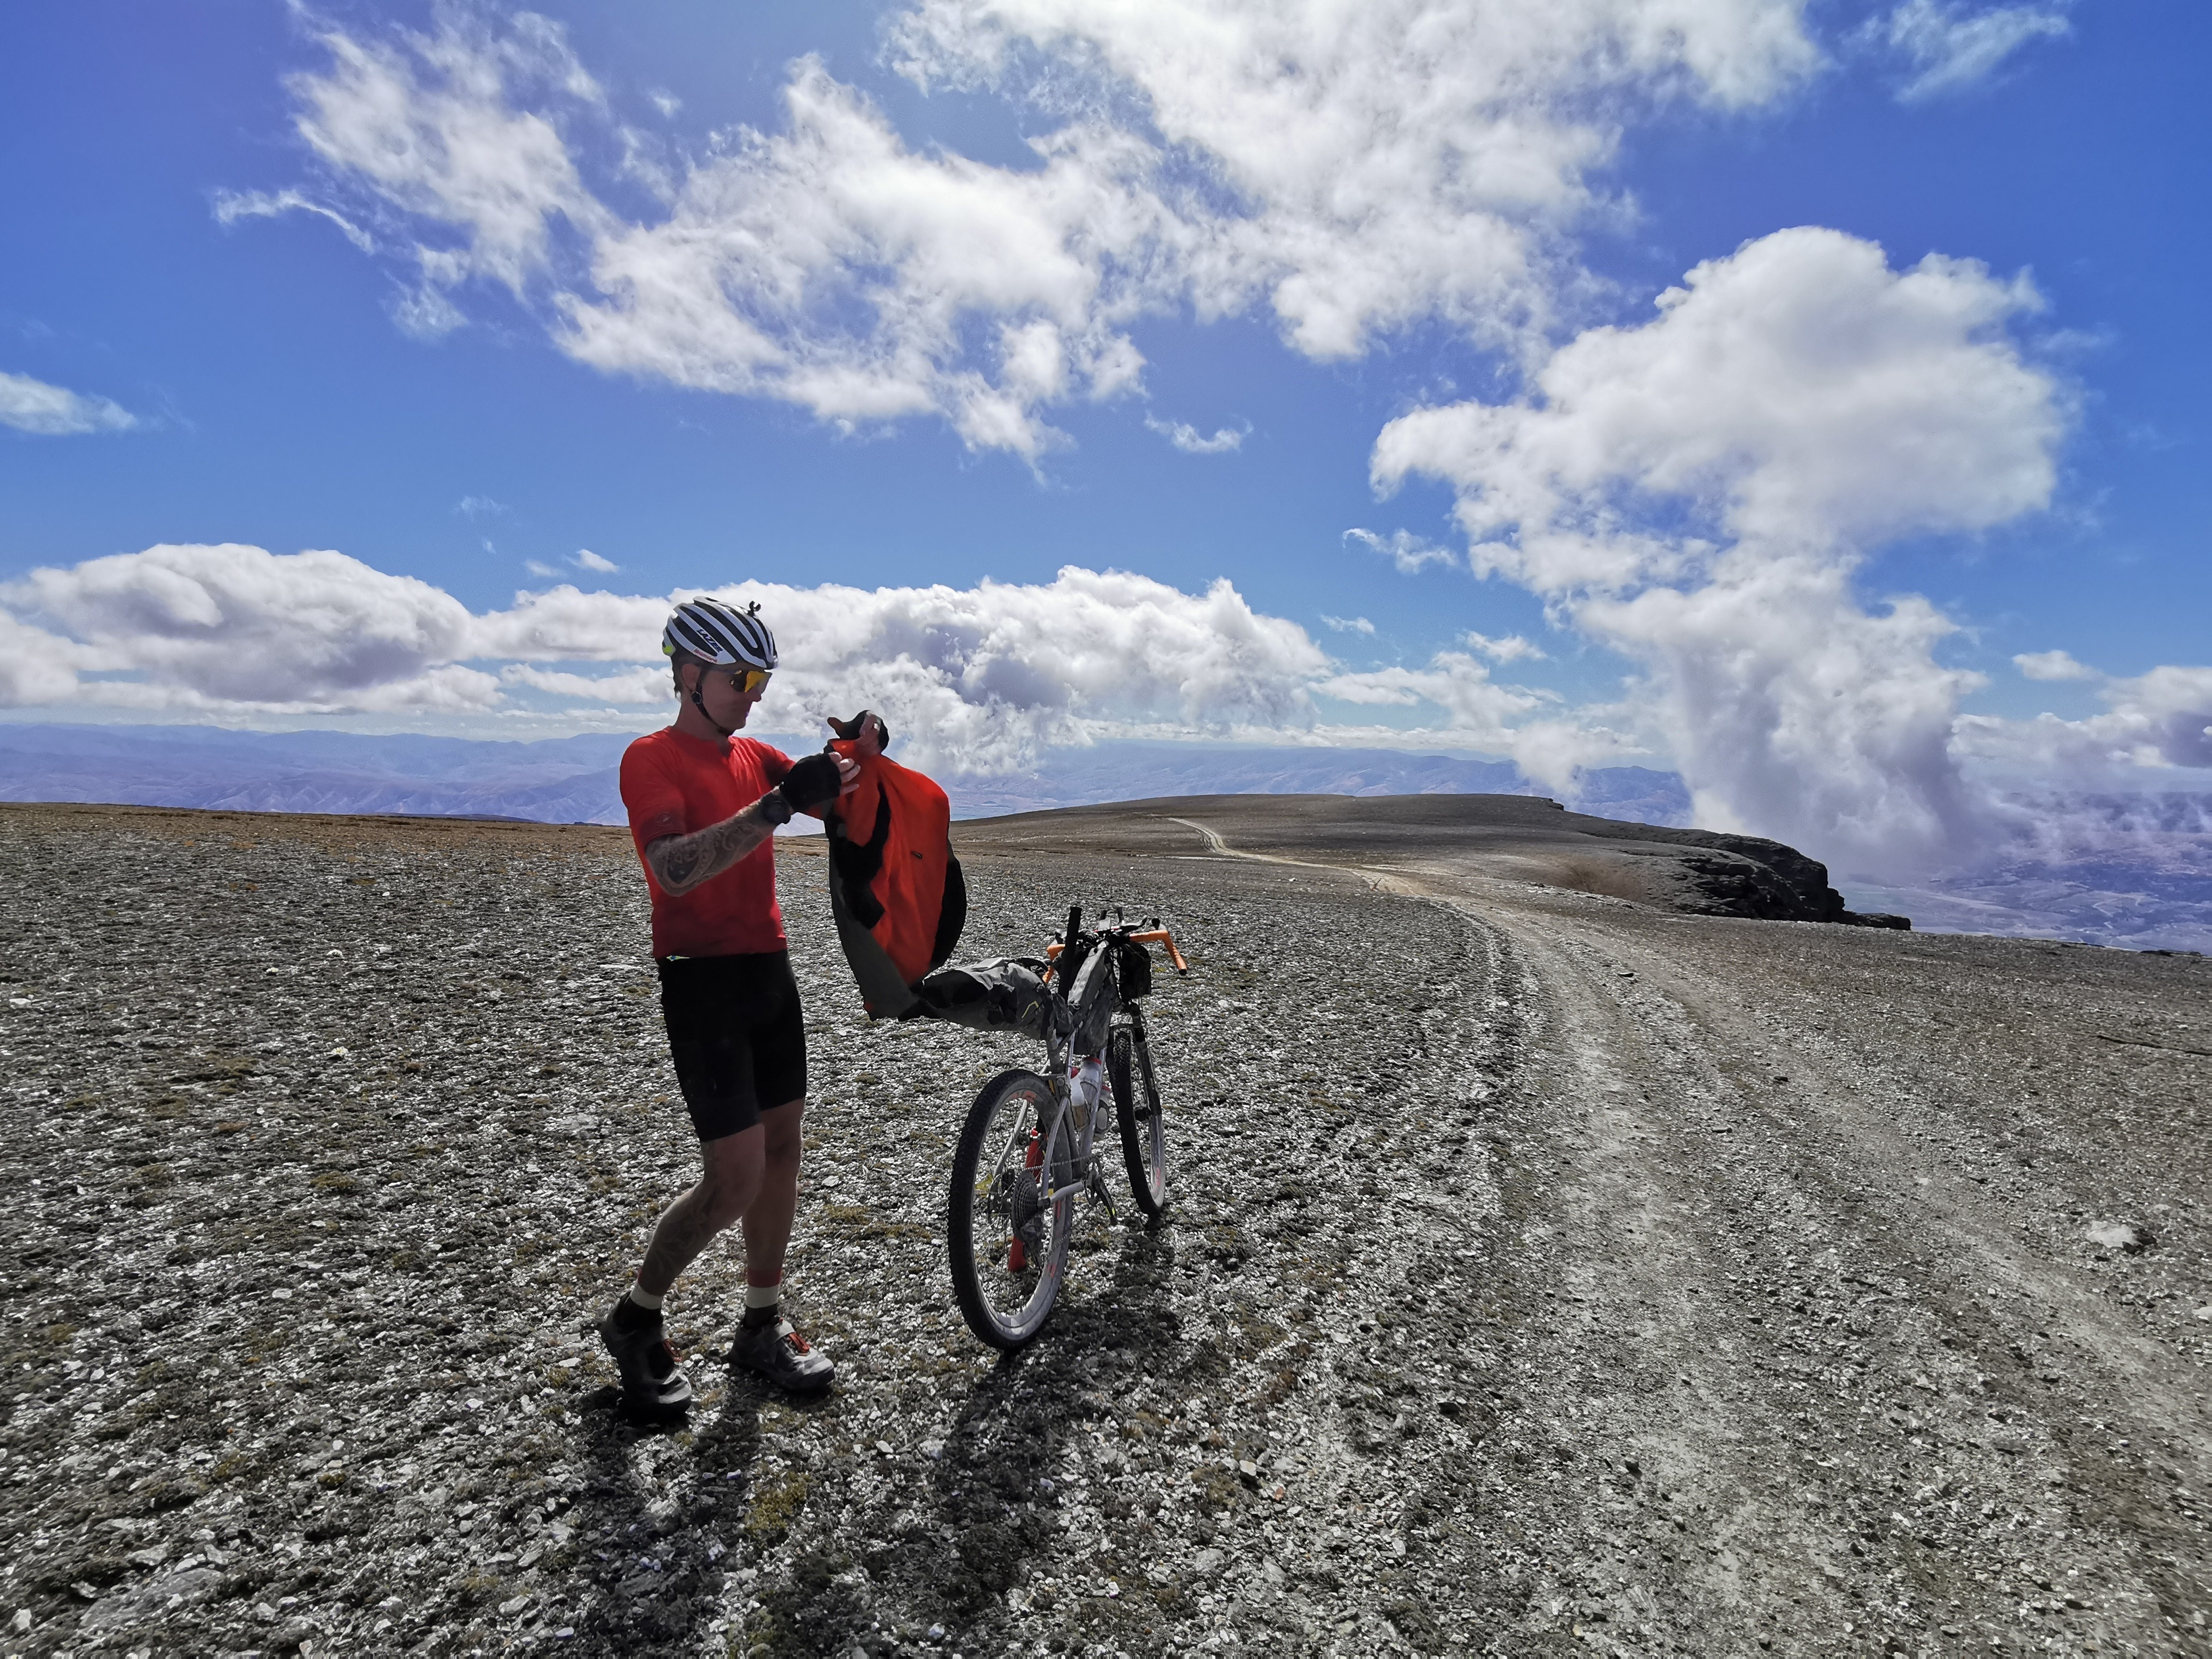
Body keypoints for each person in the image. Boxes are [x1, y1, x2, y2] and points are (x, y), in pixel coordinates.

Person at [596, 595, 856, 1415]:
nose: (754, 694)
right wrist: (778, 805)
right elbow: (674, 870)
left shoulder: (756, 753)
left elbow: (835, 799)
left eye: (762, 680)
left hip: (768, 969)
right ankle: (635, 1318)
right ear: (688, 674)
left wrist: (856, 753)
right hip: (700, 979)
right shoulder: (651, 757)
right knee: (734, 1179)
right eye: (741, 678)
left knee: (782, 1152)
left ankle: (761, 1322)